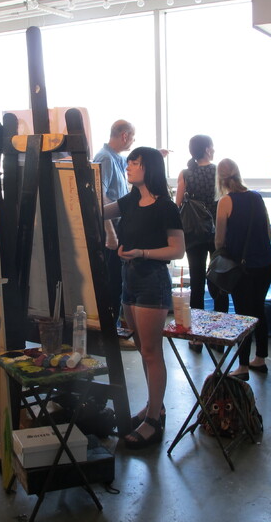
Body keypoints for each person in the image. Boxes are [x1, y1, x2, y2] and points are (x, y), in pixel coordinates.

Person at [103, 147, 185, 449]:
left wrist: (142, 253)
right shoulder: (130, 201)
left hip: (152, 280)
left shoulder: (165, 206)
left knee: (151, 352)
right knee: (142, 349)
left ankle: (153, 420)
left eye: (134, 163)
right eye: (128, 163)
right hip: (130, 279)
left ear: (148, 167)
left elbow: (177, 250)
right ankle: (154, 407)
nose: (128, 168)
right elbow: (99, 211)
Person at [214, 158, 271, 380]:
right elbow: (268, 232)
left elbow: (219, 240)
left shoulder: (225, 202)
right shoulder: (257, 197)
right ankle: (260, 358)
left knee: (243, 316)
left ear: (220, 179)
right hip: (265, 264)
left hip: (242, 267)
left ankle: (242, 366)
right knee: (258, 310)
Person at [93, 119, 136, 349]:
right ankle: (111, 335)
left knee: (118, 280)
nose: (132, 142)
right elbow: (98, 196)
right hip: (111, 228)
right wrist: (110, 232)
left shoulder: (116, 158)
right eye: (132, 137)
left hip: (120, 226)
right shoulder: (106, 158)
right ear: (125, 135)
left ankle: (115, 330)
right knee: (112, 282)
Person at [175, 135, 229, 314]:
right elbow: (227, 200)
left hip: (193, 231)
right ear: (207, 149)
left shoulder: (185, 174)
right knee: (219, 276)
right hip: (217, 231)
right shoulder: (219, 171)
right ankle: (221, 321)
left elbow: (178, 204)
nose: (213, 150)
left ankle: (196, 323)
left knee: (196, 278)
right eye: (212, 147)